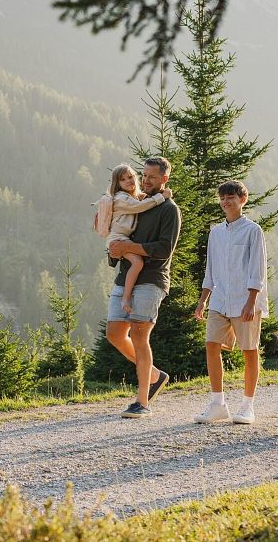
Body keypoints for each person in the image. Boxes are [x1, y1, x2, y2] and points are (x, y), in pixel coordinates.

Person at [106, 157, 181, 418]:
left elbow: (163, 249)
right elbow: (118, 236)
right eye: (144, 175)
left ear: (164, 179)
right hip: (125, 276)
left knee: (139, 335)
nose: (145, 180)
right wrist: (116, 249)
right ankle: (154, 375)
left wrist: (129, 248)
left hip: (152, 278)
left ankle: (142, 402)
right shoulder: (135, 202)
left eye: (151, 176)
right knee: (114, 334)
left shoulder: (169, 209)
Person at [193, 180, 268, 425]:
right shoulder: (215, 233)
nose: (226, 202)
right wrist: (203, 300)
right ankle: (218, 404)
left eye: (231, 198)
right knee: (211, 345)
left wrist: (251, 301)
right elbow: (210, 270)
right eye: (223, 198)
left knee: (249, 351)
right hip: (219, 300)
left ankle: (247, 406)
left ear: (242, 200)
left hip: (245, 301)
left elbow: (257, 269)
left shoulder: (252, 230)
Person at [101, 164, 173, 315]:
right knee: (137, 262)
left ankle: (126, 296)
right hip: (118, 238)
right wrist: (162, 196)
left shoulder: (132, 197)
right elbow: (140, 207)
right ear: (117, 183)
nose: (129, 181)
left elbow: (164, 248)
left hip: (124, 241)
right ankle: (126, 297)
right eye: (123, 179)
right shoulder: (121, 199)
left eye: (131, 177)